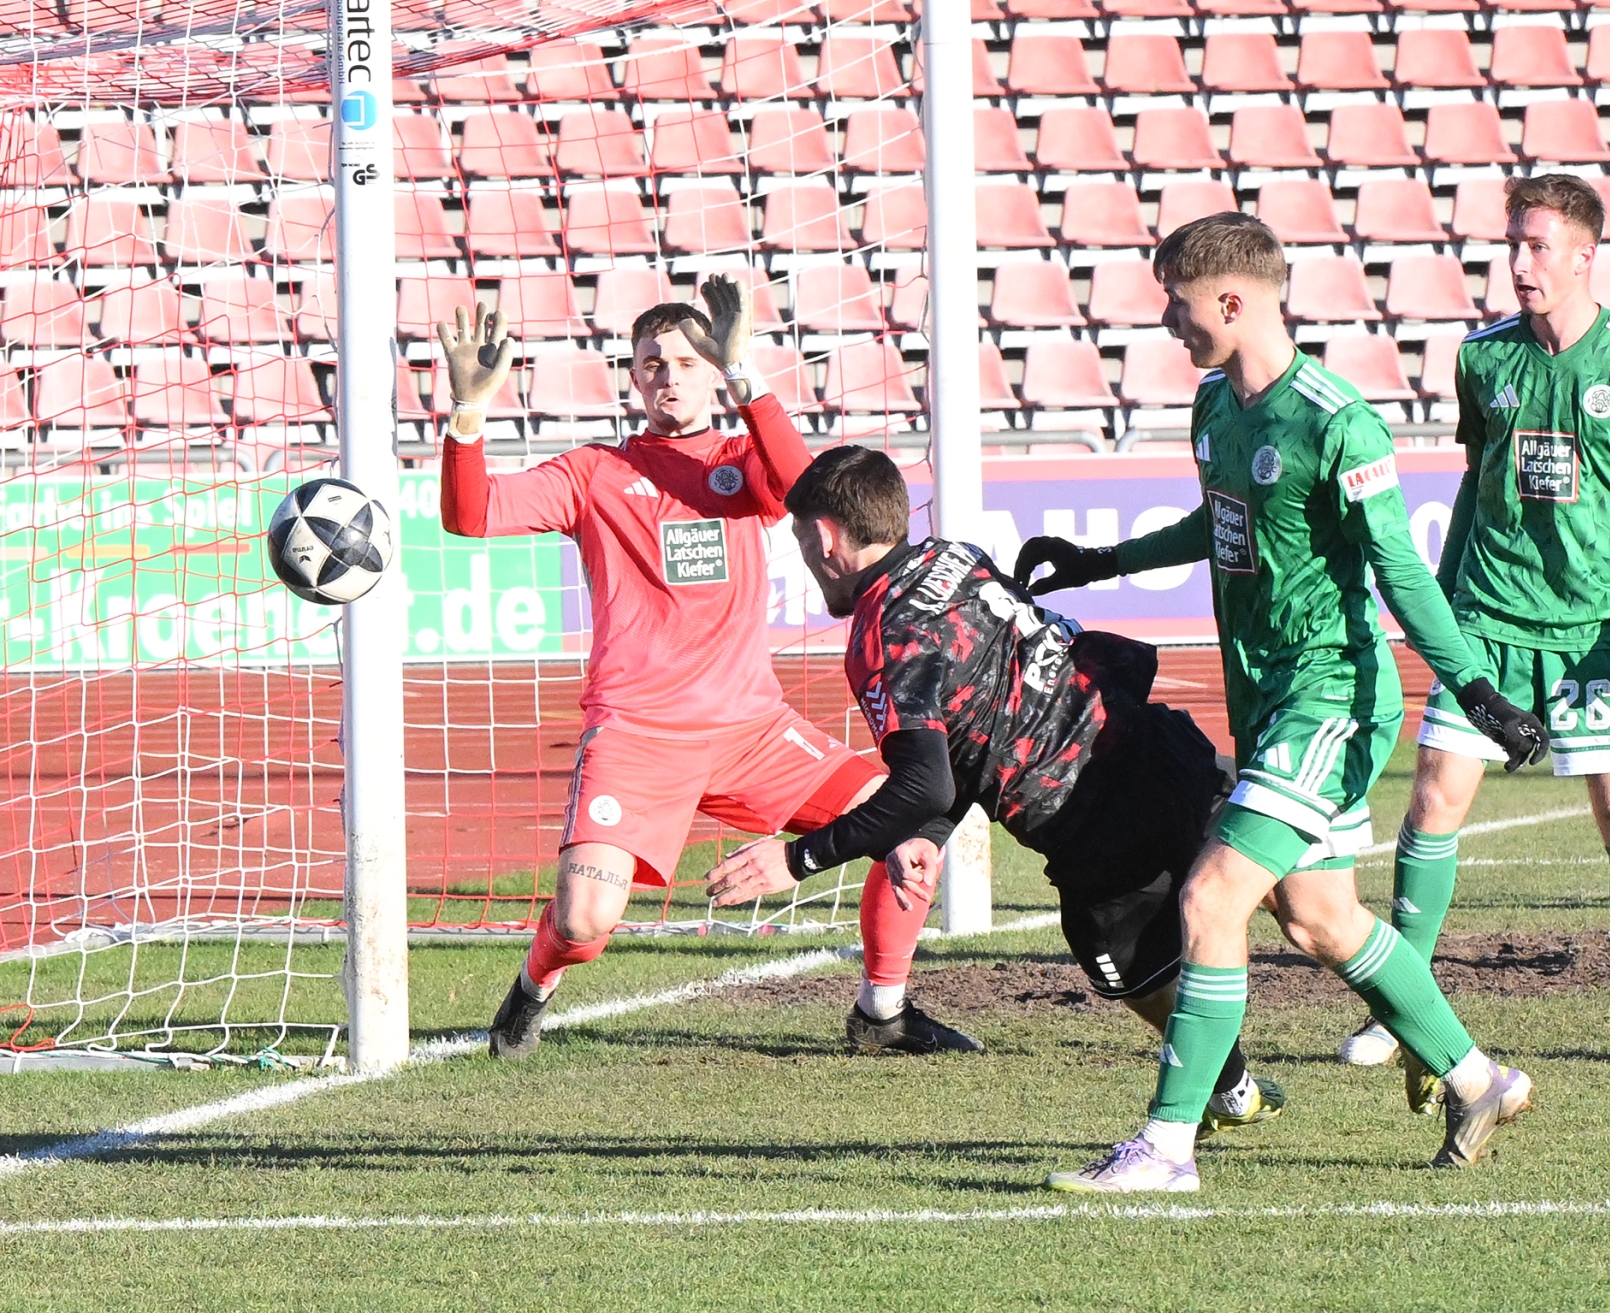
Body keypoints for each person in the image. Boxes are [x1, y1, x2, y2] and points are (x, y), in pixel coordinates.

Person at [1016, 212, 1549, 1192]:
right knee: (1319, 917)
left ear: (1231, 301)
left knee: (1212, 895)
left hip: (1329, 698)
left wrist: (1474, 687)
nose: (1169, 325)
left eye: (1178, 305)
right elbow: (1219, 522)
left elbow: (1398, 568)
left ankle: (1167, 1146)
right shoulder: (1215, 406)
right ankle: (1481, 1079)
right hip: (1266, 700)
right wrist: (1102, 561)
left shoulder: (1337, 421)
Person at [436, 275, 979, 1060]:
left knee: (916, 828)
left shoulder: (739, 460)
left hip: (751, 732)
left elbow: (802, 487)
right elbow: (472, 513)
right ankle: (533, 984)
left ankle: (882, 1012)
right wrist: (468, 411)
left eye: (690, 362)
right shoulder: (593, 473)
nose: (671, 376)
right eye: (653, 363)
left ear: (713, 371)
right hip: (638, 736)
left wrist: (746, 374)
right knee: (584, 922)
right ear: (633, 377)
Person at [702, 444, 1288, 1142]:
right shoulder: (954, 555)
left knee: (1125, 966)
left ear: (827, 537)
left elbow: (924, 780)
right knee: (1313, 911)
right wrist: (933, 831)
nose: (804, 556)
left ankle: (1228, 1090)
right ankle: (1413, 1035)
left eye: (802, 540)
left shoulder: (884, 633)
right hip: (1159, 743)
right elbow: (982, 720)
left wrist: (795, 860)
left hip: (1093, 814)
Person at [1336, 175, 1610, 1071]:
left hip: (1599, 629)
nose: (1518, 262)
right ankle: (1402, 1006)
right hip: (1488, 618)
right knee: (1434, 798)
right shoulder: (1482, 357)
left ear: (1584, 256)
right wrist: (1441, 604)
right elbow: (1477, 477)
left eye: (1537, 246)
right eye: (1512, 244)